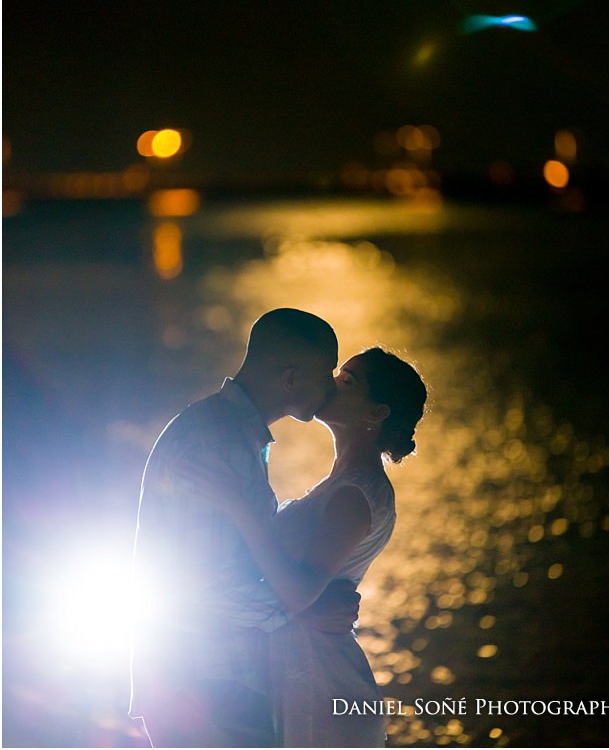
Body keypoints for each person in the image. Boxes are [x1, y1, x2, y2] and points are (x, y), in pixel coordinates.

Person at [129, 308, 360, 748]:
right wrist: (304, 612)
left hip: (198, 677)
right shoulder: (223, 444)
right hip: (204, 683)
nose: (331, 387)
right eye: (325, 373)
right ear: (290, 379)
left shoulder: (224, 431)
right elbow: (203, 583)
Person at [202, 345, 427, 747]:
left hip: (318, 680)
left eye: (347, 381)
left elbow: (298, 592)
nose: (330, 384)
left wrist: (237, 504)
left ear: (376, 412)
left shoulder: (356, 495)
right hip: (296, 663)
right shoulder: (343, 484)